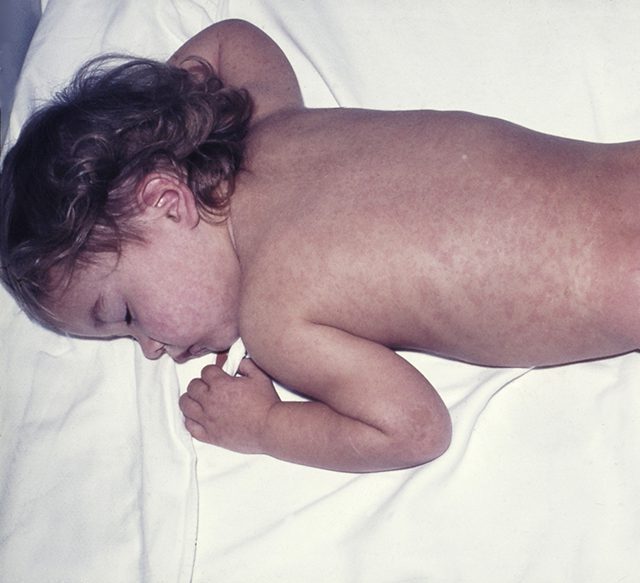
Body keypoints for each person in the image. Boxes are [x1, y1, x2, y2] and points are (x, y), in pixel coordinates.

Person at [2, 19, 640, 473]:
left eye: (125, 314)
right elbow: (231, 38)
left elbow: (415, 429)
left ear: (167, 201)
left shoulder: (276, 315)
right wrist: (152, 121)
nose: (148, 348)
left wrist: (265, 427)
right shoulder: (269, 121)